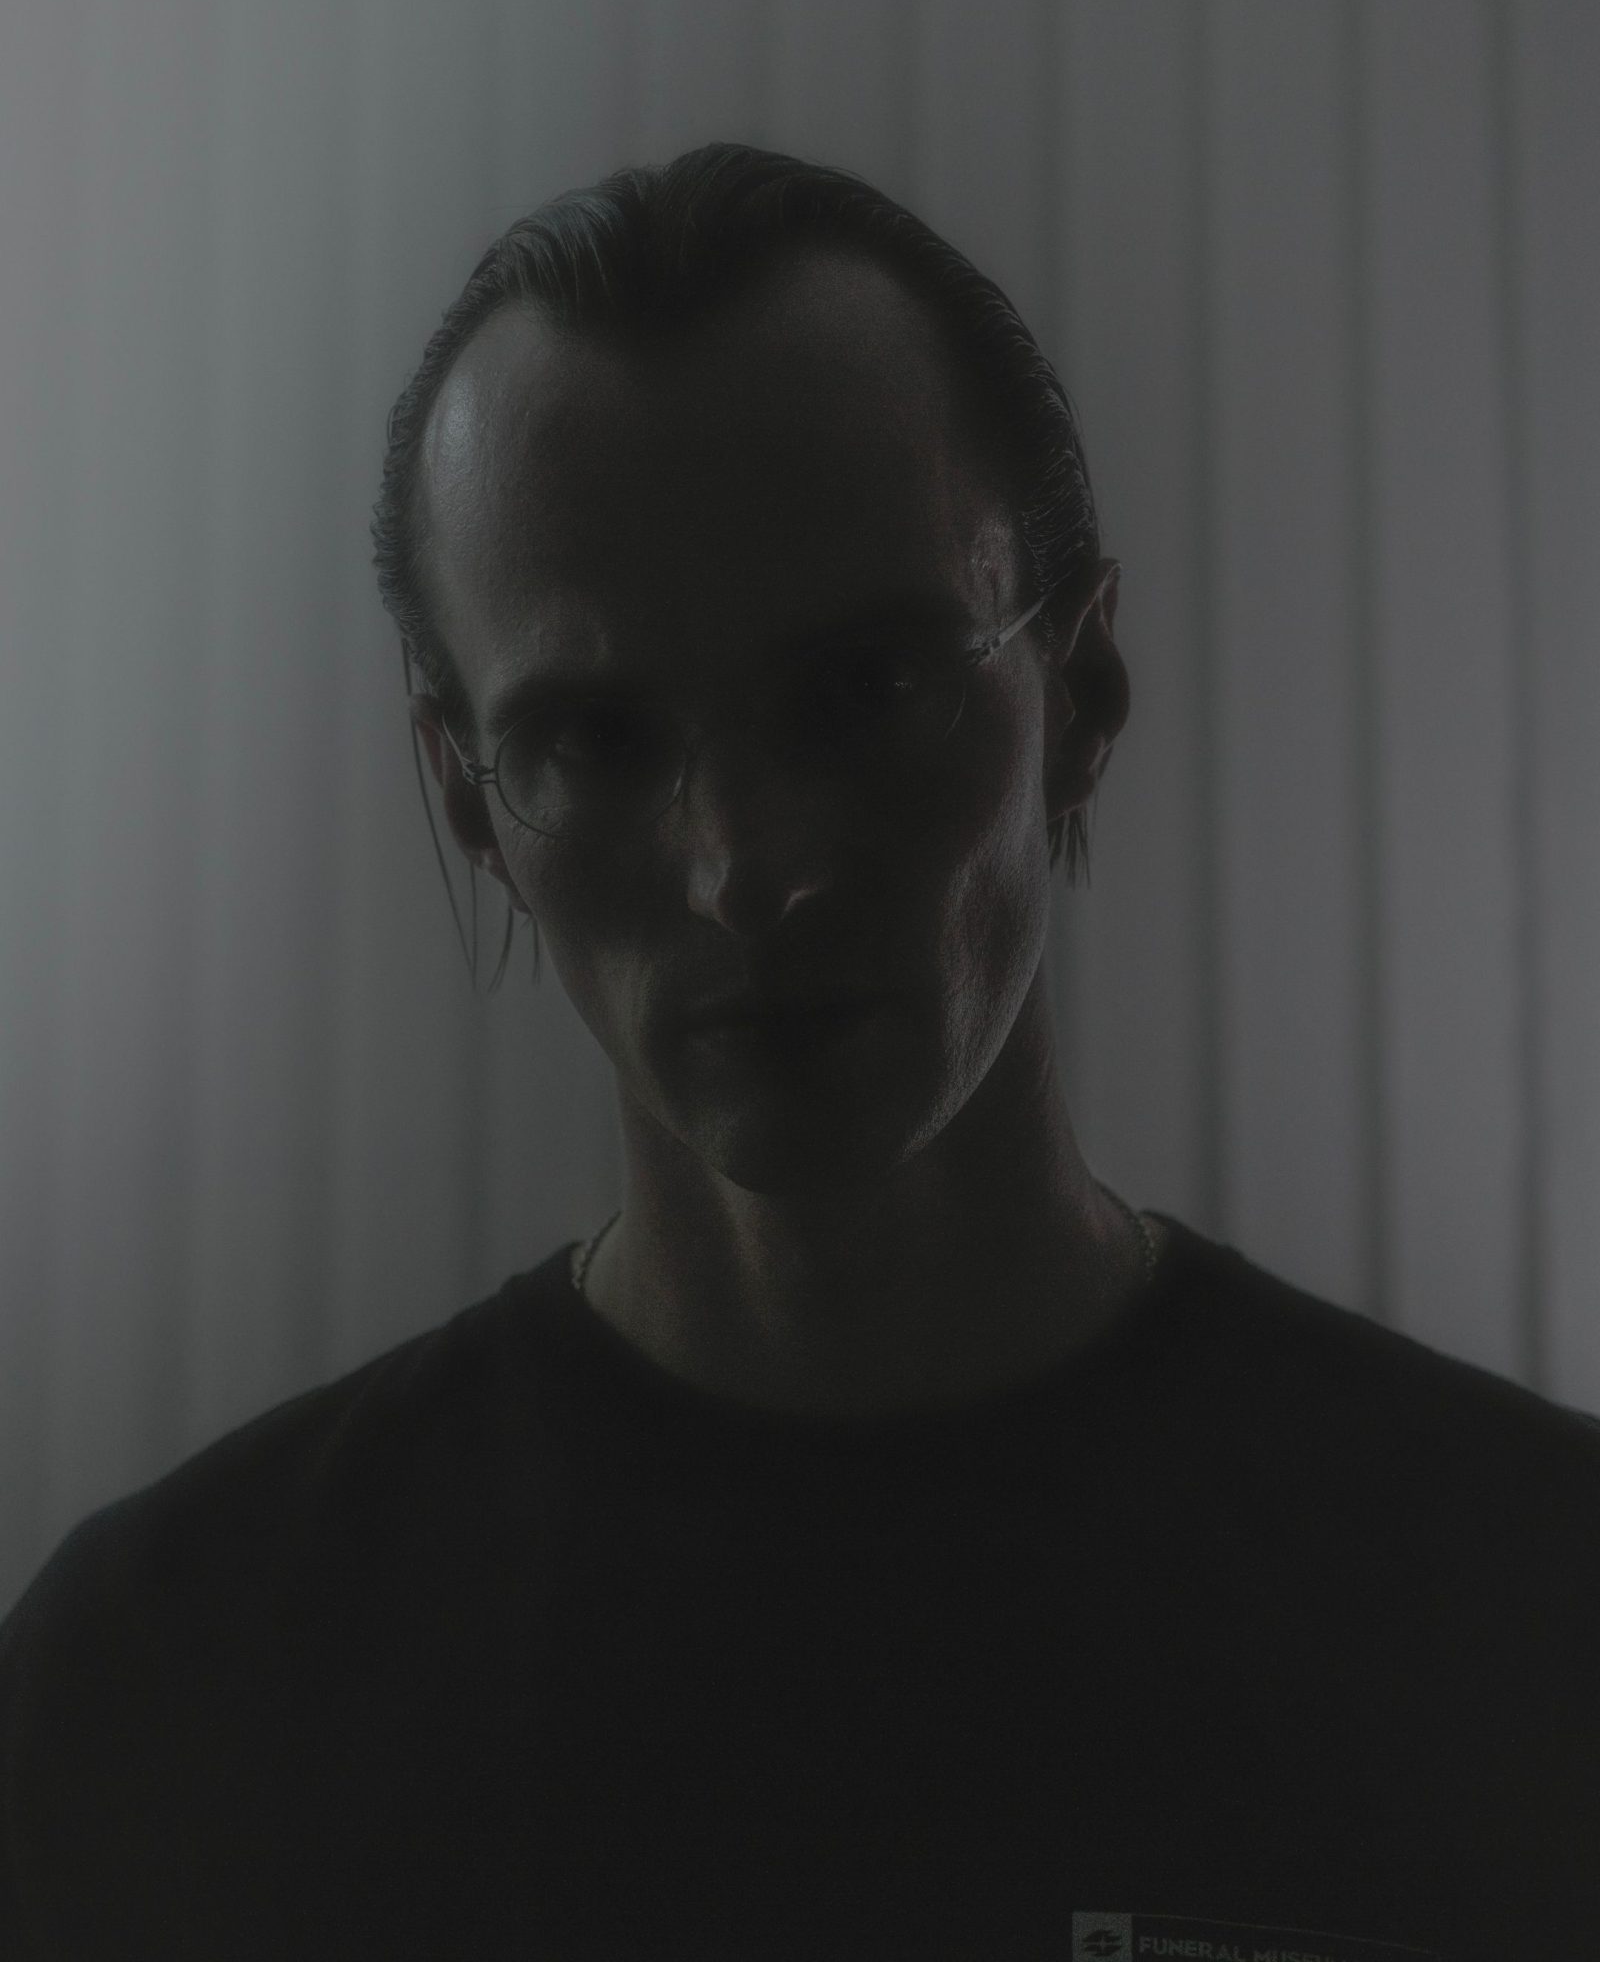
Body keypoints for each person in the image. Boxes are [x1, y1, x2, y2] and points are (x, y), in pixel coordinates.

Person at [1, 142, 1596, 1961]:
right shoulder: (162, 1688)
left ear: (1080, 691)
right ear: (469, 797)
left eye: (863, 690)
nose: (747, 867)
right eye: (596, 740)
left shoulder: (1533, 1617)